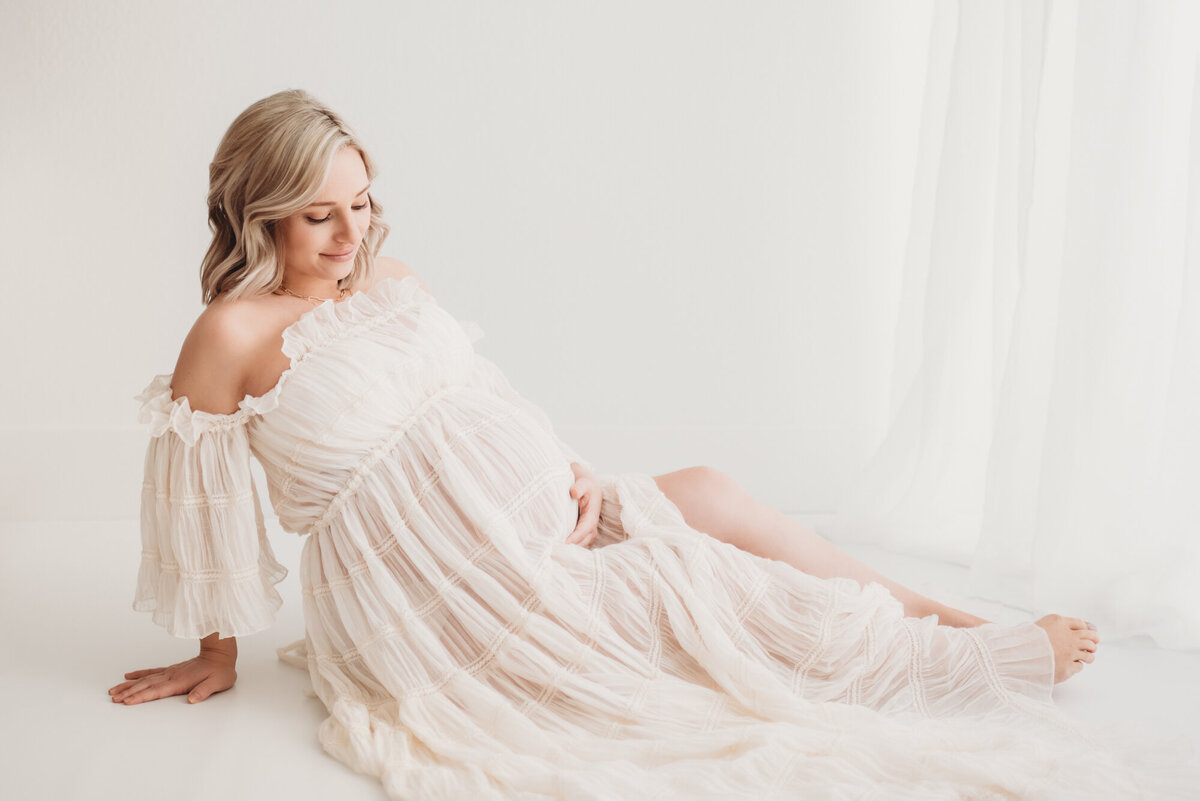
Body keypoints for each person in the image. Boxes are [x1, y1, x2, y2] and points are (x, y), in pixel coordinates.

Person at [107, 90, 1171, 800]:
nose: (350, 236)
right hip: (433, 581)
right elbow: (202, 508)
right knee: (681, 588)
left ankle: (948, 616)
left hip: (532, 509)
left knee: (702, 489)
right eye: (319, 218)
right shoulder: (231, 337)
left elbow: (477, 390)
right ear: (263, 217)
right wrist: (214, 650)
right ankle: (953, 654)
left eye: (362, 204)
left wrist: (563, 469)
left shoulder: (384, 279)